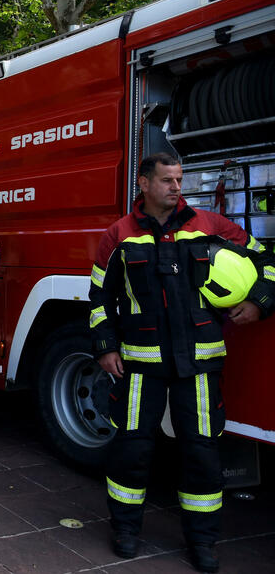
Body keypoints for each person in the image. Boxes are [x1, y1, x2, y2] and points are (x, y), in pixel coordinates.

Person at [89, 153, 275, 572]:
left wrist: (260, 302)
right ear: (143, 184)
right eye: (167, 180)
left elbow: (267, 260)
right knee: (131, 450)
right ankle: (125, 530)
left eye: (179, 179)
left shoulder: (209, 225)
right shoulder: (118, 235)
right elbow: (99, 297)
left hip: (199, 365)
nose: (176, 187)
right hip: (139, 366)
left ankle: (203, 542)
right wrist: (105, 345)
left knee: (202, 453)